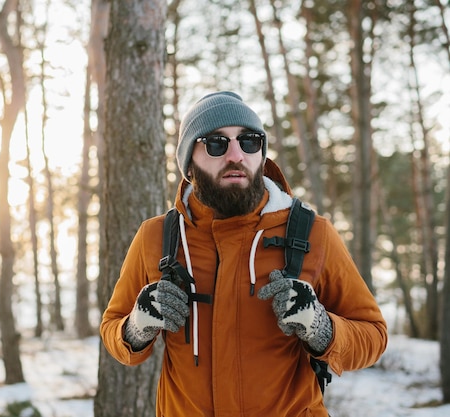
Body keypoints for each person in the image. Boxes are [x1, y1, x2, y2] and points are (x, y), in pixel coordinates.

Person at [99, 91, 387, 416]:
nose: (236, 154)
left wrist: (323, 329)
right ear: (189, 164)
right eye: (216, 143)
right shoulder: (157, 236)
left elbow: (373, 336)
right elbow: (113, 330)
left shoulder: (312, 232)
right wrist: (136, 328)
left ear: (261, 155)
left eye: (249, 141)